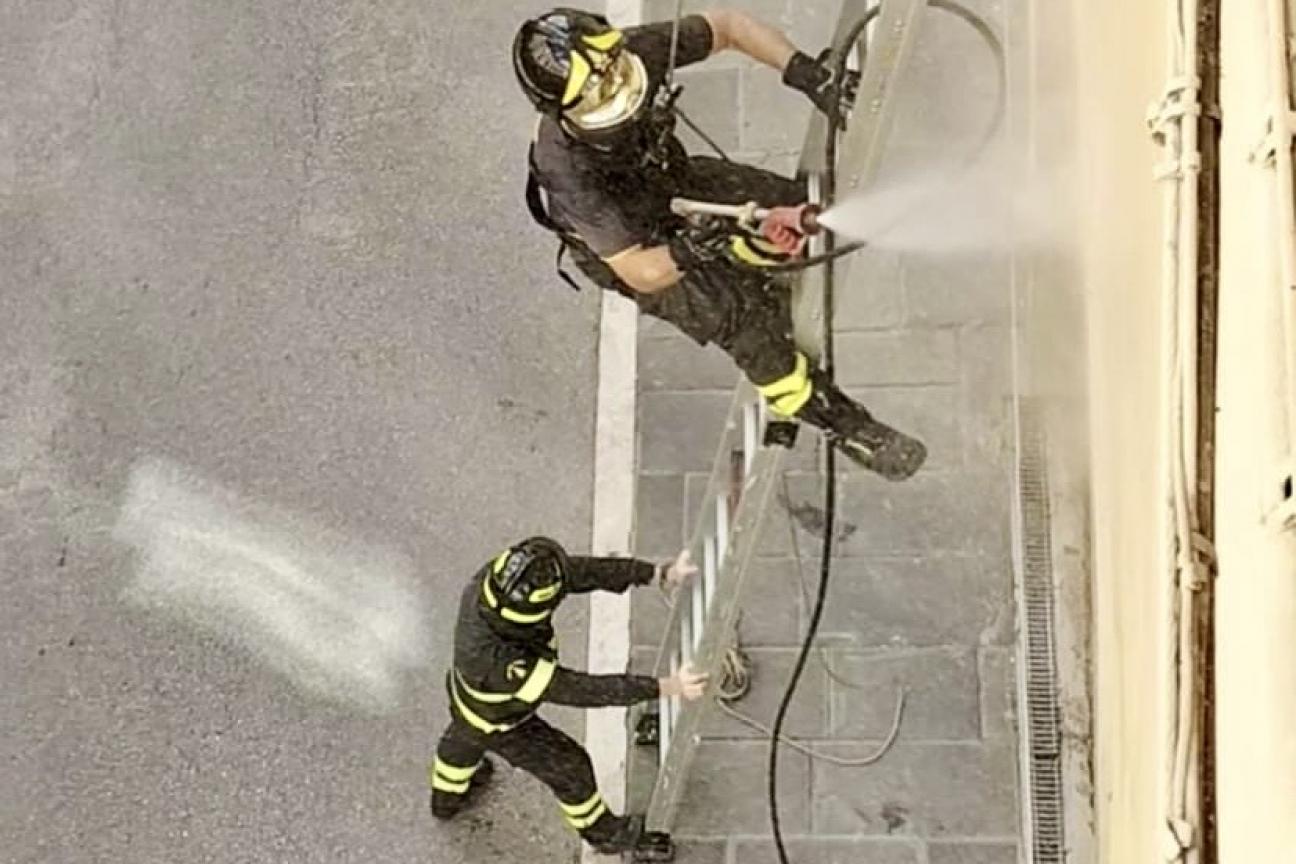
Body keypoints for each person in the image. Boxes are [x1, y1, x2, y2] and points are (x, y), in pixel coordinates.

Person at [513, 6, 927, 481]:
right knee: (745, 324)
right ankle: (849, 427)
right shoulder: (567, 169)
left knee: (792, 204)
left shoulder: (630, 58)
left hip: (675, 185)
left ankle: (761, 266)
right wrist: (688, 252)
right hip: (637, 245)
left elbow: (728, 28)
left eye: (618, 76)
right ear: (560, 109)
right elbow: (638, 271)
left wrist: (808, 75)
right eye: (600, 96)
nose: (622, 91)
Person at [428, 536, 706, 860]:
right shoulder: (503, 663)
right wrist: (666, 687)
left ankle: (446, 800)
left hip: (466, 696)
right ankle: (607, 836)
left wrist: (655, 572)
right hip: (500, 720)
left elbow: (581, 572)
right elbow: (579, 689)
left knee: (462, 738)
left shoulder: (498, 583)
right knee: (571, 768)